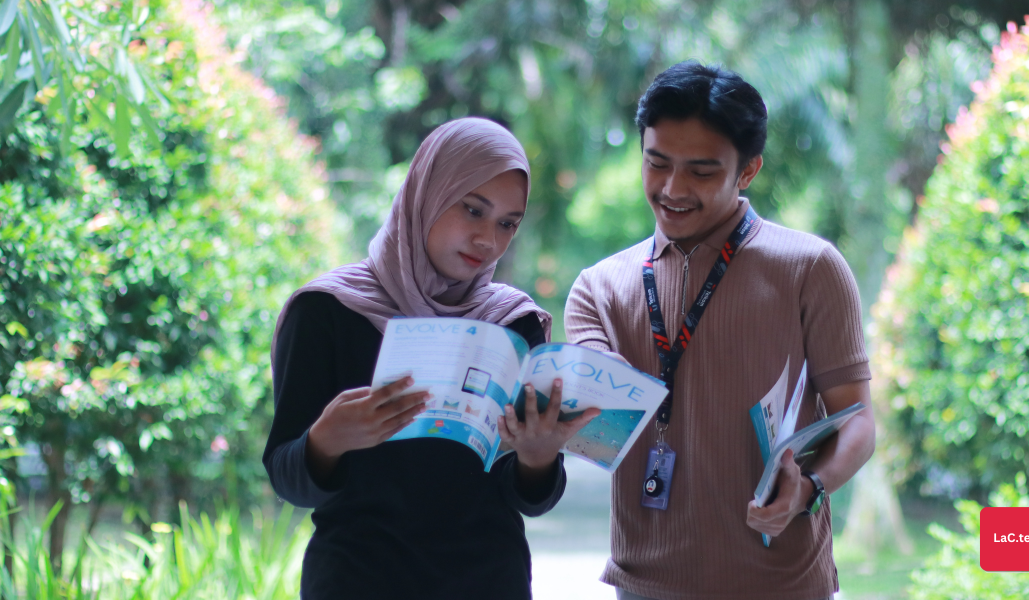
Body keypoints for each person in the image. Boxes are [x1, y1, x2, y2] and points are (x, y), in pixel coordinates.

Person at [565, 62, 876, 600]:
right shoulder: (599, 288)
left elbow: (858, 421)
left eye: (701, 172)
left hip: (783, 584)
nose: (672, 189)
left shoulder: (811, 268)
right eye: (656, 163)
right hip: (645, 584)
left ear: (748, 170)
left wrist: (808, 488)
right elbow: (596, 432)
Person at [265, 117, 597, 599]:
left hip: (488, 582)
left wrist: (539, 457)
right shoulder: (328, 310)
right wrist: (325, 441)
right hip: (357, 581)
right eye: (472, 209)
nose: (489, 240)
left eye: (508, 223)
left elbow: (527, 498)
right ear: (427, 192)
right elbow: (288, 481)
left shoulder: (512, 322)